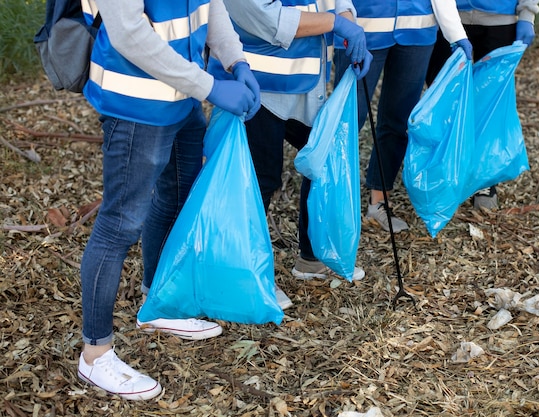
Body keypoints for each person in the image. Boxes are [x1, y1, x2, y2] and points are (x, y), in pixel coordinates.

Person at [77, 0, 261, 400]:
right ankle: (95, 354)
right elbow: (128, 32)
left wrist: (236, 62)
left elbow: (211, 8)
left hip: (183, 97)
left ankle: (157, 300)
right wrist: (211, 86)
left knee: (178, 192)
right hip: (136, 106)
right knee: (119, 225)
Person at [219, 0, 373, 307]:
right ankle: (248, 277)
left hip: (307, 84)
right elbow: (265, 17)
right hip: (259, 88)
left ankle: (311, 258)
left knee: (322, 159)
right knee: (260, 180)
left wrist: (346, 19)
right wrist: (334, 23)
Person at [333, 0, 473, 233]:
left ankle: (378, 203)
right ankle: (332, 207)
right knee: (344, 123)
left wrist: (456, 33)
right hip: (362, 28)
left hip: (417, 31)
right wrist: (342, 19)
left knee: (398, 122)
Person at [425, 0, 539, 209]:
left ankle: (483, 181)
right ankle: (444, 175)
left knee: (490, 104)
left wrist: (527, 14)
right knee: (444, 100)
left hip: (500, 21)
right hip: (447, 18)